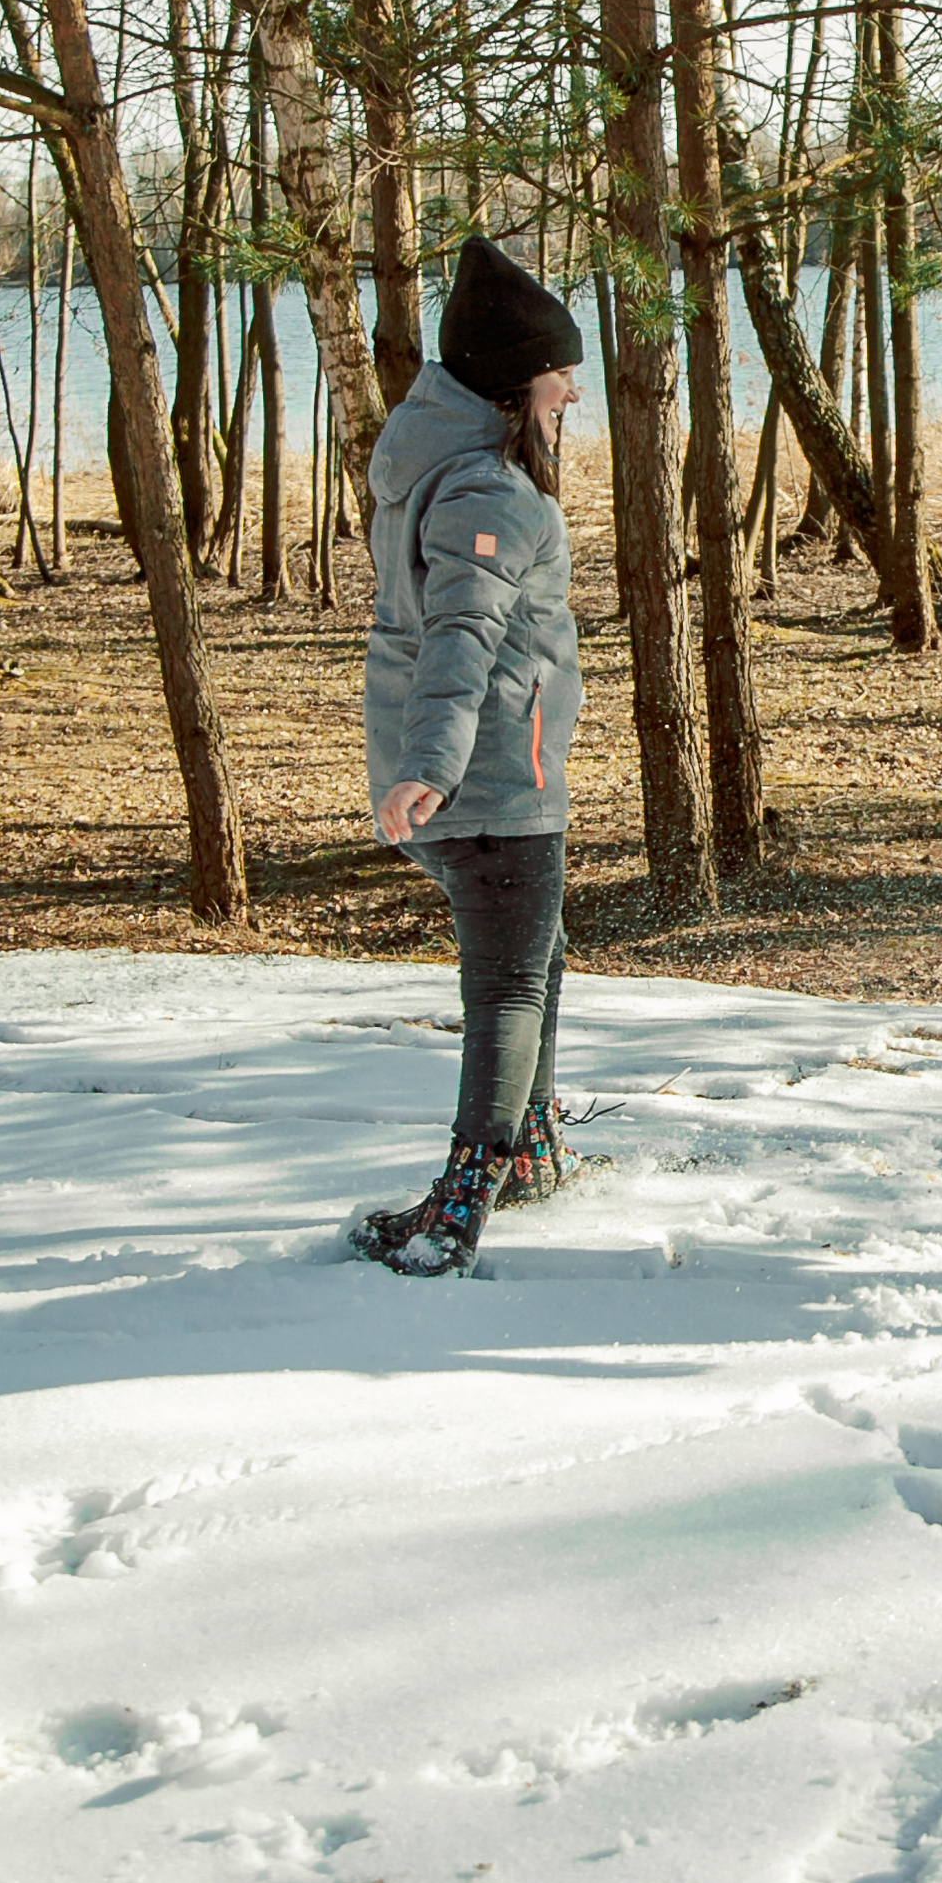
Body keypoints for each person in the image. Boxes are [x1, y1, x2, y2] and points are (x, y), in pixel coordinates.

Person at [354, 236, 590, 1277]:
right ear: (510, 386)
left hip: (487, 769)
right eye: (555, 375)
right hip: (491, 778)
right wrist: (439, 766)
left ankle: (530, 1152)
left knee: (538, 961)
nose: (569, 394)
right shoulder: (487, 493)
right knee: (508, 989)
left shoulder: (438, 462)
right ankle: (463, 1199)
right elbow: (460, 634)